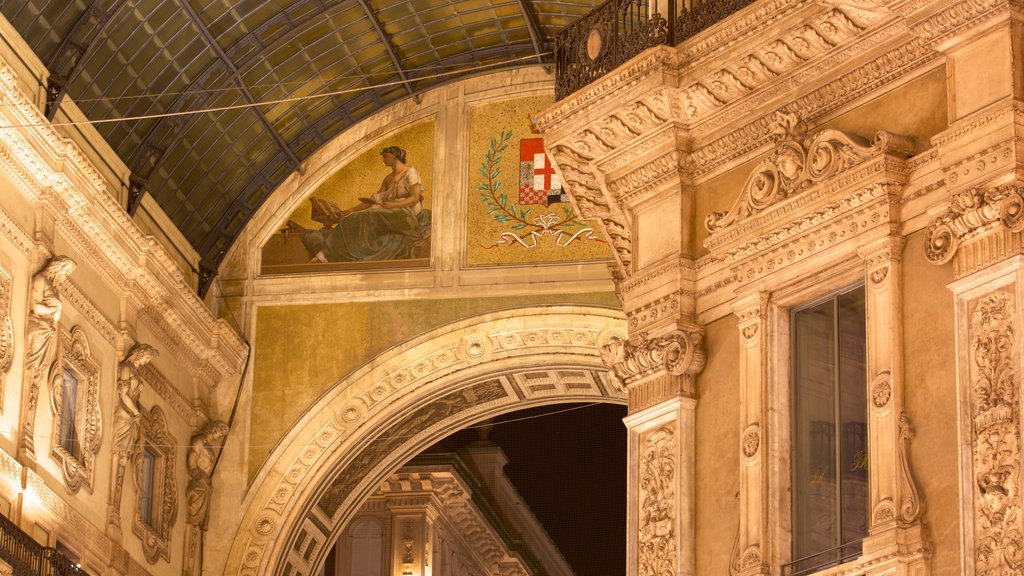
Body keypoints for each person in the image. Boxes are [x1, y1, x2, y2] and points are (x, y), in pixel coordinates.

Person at [288, 146, 431, 262]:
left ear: (394, 156)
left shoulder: (411, 173)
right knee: (355, 217)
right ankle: (332, 252)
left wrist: (393, 205)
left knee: (369, 215)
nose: (383, 160)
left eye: (385, 156)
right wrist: (349, 211)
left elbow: (414, 198)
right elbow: (373, 201)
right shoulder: (388, 179)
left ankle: (325, 256)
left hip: (407, 213)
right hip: (389, 211)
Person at [20, 256, 76, 456]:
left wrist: (56, 309)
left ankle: (28, 423)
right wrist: (55, 308)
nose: (64, 277)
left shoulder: (53, 287)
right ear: (57, 267)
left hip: (47, 332)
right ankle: (25, 425)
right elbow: (36, 307)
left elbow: (56, 317)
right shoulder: (40, 280)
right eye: (65, 272)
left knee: (38, 372)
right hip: (38, 329)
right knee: (31, 369)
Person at [108, 343, 157, 527]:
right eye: (146, 358)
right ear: (140, 354)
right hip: (125, 416)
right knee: (119, 453)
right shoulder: (126, 369)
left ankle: (115, 505)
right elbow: (122, 394)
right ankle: (113, 504)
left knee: (124, 457)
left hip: (132, 417)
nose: (146, 362)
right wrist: (135, 413)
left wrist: (136, 413)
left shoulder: (134, 371)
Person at [186, 421, 229, 530]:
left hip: (205, 480)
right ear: (214, 429)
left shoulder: (209, 445)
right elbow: (193, 456)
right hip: (199, 478)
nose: (220, 436)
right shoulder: (199, 441)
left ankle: (197, 523)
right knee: (199, 497)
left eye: (222, 435)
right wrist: (194, 471)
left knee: (206, 496)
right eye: (220, 433)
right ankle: (194, 521)